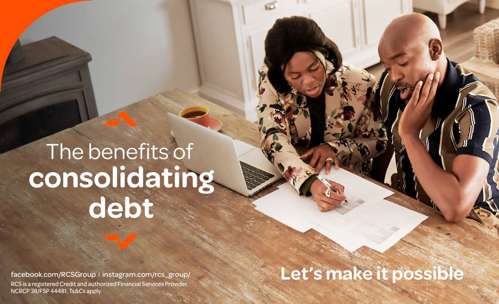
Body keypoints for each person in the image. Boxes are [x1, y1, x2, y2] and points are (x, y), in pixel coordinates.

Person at [372, 13, 499, 225]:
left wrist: (410, 134)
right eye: (388, 67)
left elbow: (456, 207)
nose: (394, 76)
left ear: (434, 49)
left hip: (471, 224)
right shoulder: (390, 86)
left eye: (402, 63)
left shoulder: (476, 106)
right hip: (409, 208)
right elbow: (383, 141)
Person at [257, 16, 388, 212]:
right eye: (295, 76)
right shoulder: (272, 82)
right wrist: (311, 182)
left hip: (349, 189)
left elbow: (379, 141)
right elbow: (272, 137)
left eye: (314, 68)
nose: (308, 81)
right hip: (292, 184)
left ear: (325, 54)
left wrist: (335, 149)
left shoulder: (361, 84)